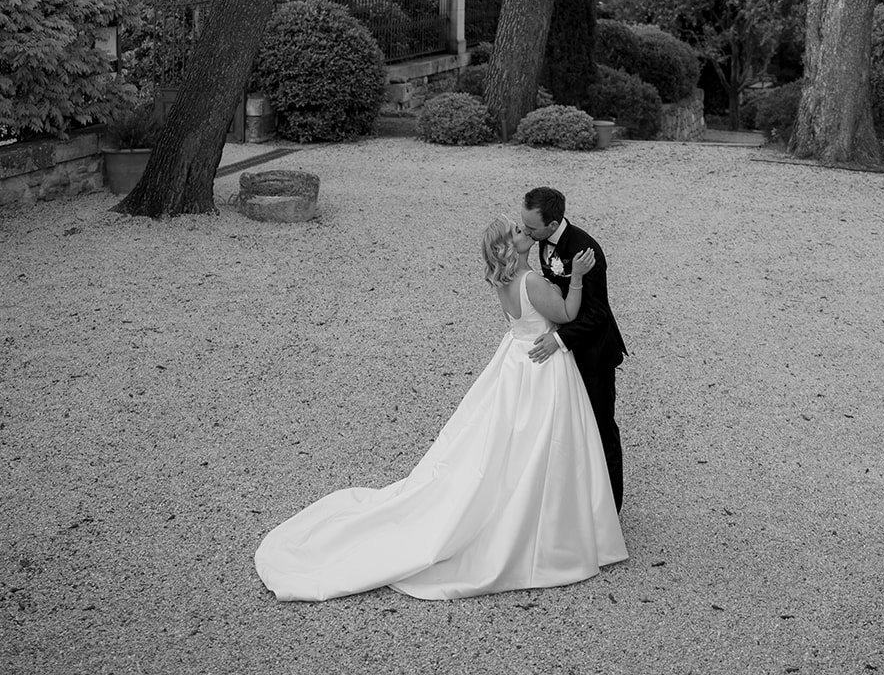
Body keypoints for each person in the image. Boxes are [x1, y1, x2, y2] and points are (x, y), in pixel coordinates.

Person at [254, 216, 627, 601]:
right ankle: (549, 525)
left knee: (517, 442)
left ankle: (538, 511)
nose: (524, 232)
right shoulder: (530, 281)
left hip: (516, 360)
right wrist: (578, 276)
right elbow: (566, 313)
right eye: (517, 232)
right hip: (541, 365)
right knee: (546, 439)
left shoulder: (503, 282)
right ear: (507, 249)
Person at [520, 185, 627, 511]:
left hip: (593, 353)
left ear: (553, 225)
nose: (525, 231)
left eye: (531, 228)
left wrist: (558, 338)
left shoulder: (585, 250)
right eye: (523, 224)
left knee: (600, 428)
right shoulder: (543, 241)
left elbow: (597, 314)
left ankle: (610, 510)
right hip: (565, 357)